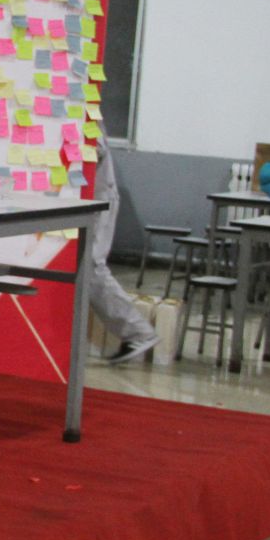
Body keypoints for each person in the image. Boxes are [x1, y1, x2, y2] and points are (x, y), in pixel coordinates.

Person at [90, 124, 160, 364]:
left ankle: (138, 332)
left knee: (91, 267)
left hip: (98, 200)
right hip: (82, 198)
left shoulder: (83, 109)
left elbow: (95, 149)